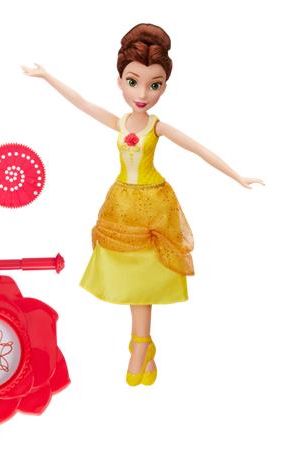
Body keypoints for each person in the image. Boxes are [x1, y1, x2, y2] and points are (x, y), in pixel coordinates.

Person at [22, 23, 264, 386]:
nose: (142, 94)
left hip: (153, 204)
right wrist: (47, 77)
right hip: (122, 204)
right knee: (132, 275)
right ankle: (142, 348)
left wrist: (238, 176)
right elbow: (82, 103)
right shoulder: (120, 122)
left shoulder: (156, 126)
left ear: (164, 87)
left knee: (147, 277)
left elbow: (198, 149)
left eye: (155, 85)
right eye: (133, 82)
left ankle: (139, 348)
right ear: (120, 81)